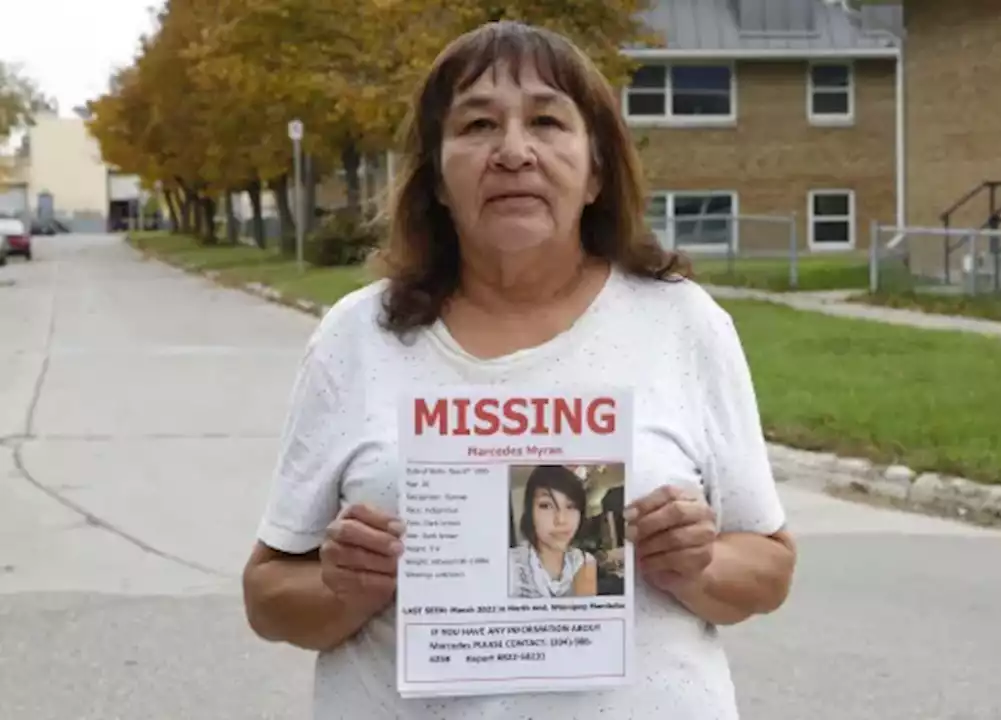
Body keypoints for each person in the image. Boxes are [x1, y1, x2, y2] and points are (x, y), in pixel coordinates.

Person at [240, 20, 797, 720]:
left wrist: (701, 565)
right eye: (476, 125)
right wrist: (342, 587)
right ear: (437, 178)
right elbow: (268, 595)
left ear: (596, 170)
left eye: (546, 121)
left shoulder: (681, 324)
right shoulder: (358, 336)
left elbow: (769, 568)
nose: (512, 152)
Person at [508, 464, 597, 598]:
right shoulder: (509, 565)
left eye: (571, 506)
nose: (561, 520)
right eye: (546, 505)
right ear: (530, 512)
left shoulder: (585, 562)